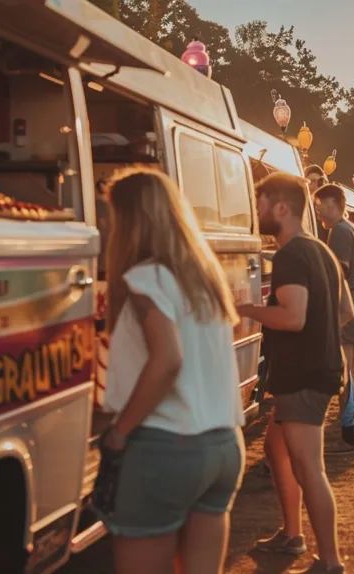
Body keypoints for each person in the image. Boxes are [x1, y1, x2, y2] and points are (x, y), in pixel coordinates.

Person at [93, 168, 245, 574]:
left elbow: (168, 360)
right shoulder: (205, 278)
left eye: (112, 216)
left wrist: (119, 434)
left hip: (165, 447)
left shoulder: (148, 278)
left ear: (132, 219)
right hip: (222, 446)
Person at [238, 173, 352, 574]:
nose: (257, 211)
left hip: (305, 377)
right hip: (305, 373)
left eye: (261, 202)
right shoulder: (320, 251)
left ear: (281, 208)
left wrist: (246, 311)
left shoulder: (289, 256)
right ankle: (292, 534)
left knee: (309, 469)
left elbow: (292, 316)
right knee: (275, 448)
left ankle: (331, 561)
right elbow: (347, 312)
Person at [314, 184, 354, 455]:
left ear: (336, 204)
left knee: (346, 371)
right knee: (352, 369)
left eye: (322, 205)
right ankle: (352, 429)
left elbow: (339, 271)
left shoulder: (339, 230)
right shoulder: (351, 228)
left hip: (351, 302)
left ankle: (349, 435)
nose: (318, 211)